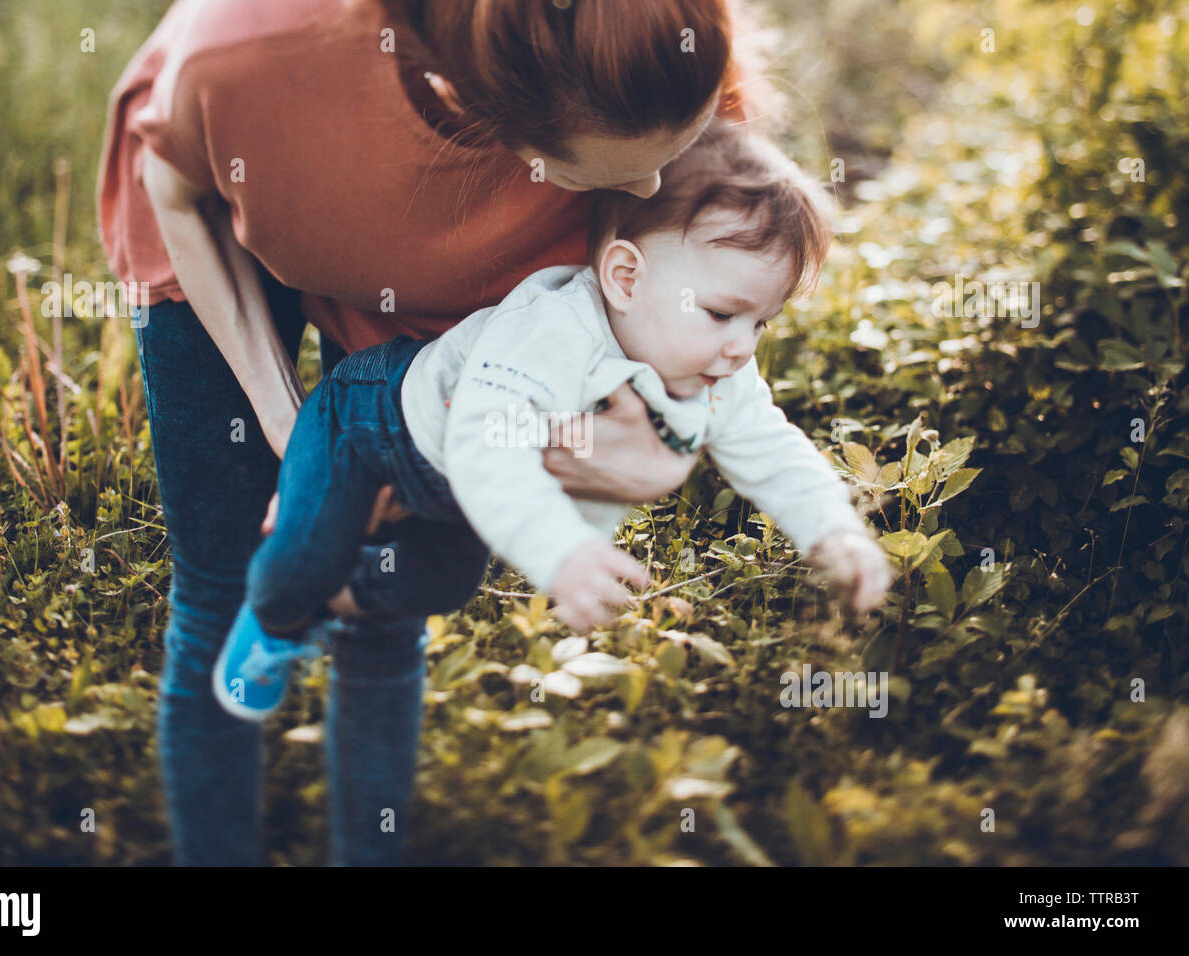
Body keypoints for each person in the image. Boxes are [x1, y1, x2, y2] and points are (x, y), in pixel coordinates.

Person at [98, 0, 772, 865]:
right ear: (500, 126)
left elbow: (705, 289)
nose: (646, 189)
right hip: (237, 183)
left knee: (388, 596)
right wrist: (287, 425)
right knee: (223, 580)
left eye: (671, 154)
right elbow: (175, 191)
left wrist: (621, 448)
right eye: (611, 177)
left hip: (453, 274)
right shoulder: (246, 50)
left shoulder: (664, 61)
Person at [213, 118, 893, 746]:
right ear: (625, 277)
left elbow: (773, 451)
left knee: (440, 584)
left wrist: (833, 529)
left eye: (761, 323)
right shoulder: (551, 331)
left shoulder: (720, 371)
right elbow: (487, 442)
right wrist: (561, 550)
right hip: (370, 423)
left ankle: (337, 594)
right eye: (721, 314)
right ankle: (276, 617)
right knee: (300, 563)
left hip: (458, 488)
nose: (744, 347)